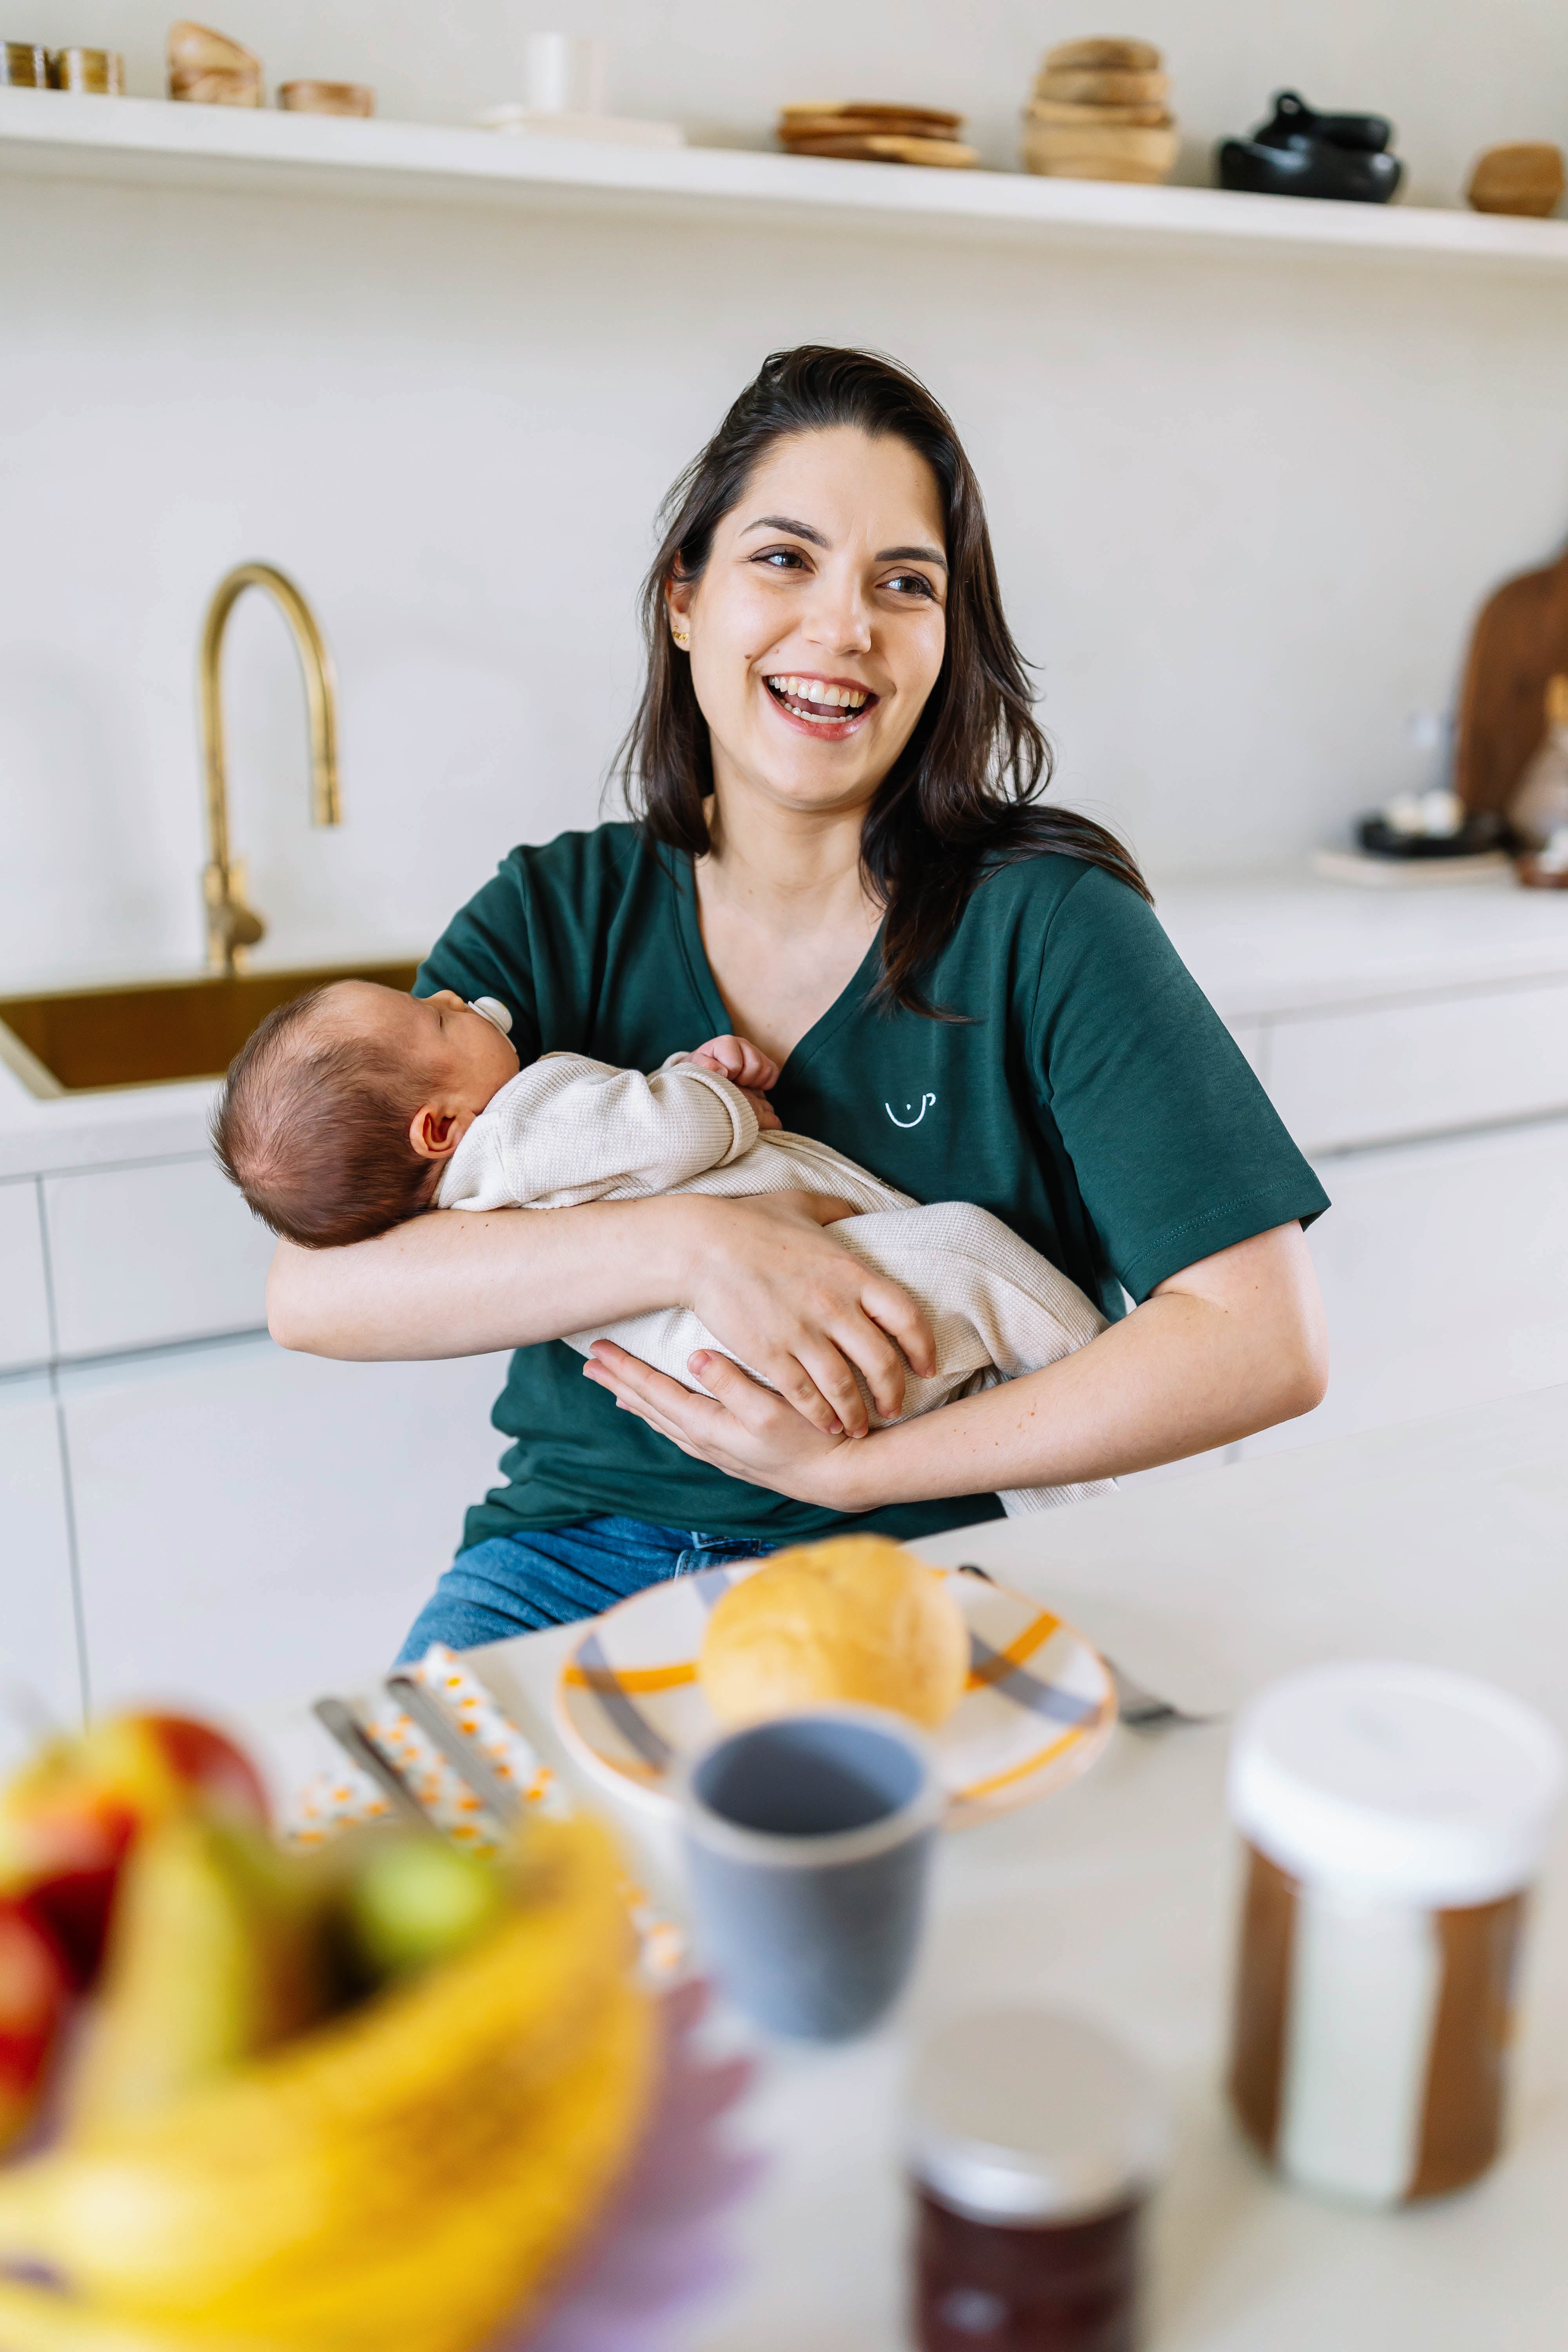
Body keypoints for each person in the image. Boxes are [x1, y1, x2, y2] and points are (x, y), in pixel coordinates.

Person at [266, 344, 1330, 1654]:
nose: (843, 627)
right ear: (683, 600)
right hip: (572, 1557)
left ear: (948, 642)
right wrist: (695, 1245)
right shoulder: (555, 914)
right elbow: (317, 1292)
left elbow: (1262, 1342)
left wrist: (852, 1473)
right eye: (784, 558)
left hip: (939, 1559)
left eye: (905, 583)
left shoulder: (1051, 925)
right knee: (413, 1844)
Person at [209, 983, 1110, 1514]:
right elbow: (665, 1137)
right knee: (971, 1257)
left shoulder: (471, 1201)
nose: (448, 996)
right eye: (436, 1021)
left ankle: (1059, 1498)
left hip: (759, 1383)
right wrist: (713, 1097)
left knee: (979, 1364)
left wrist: (675, 1089)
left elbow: (624, 1153)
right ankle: (1105, 1412)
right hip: (819, 1329)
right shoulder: (526, 1117)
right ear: (438, 1126)